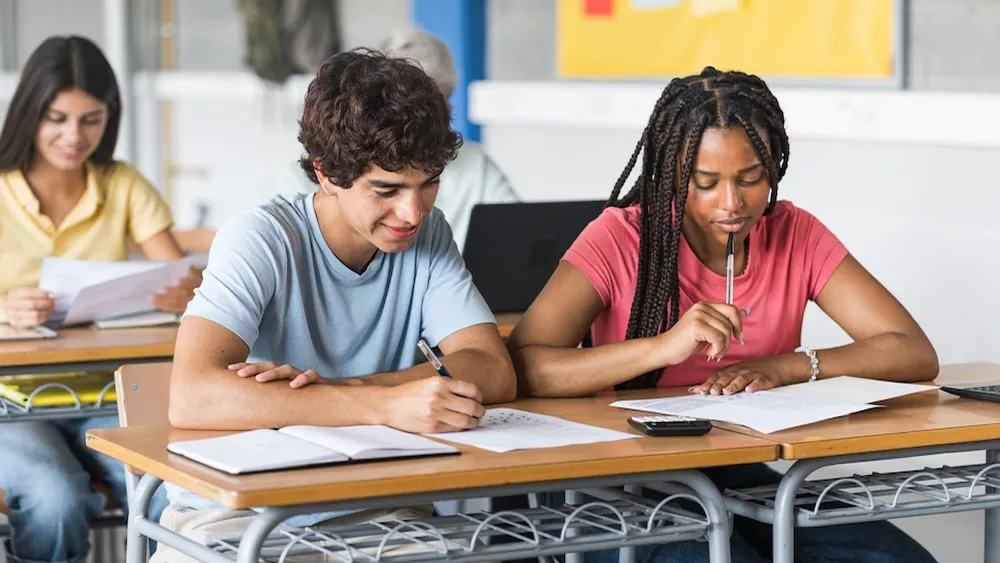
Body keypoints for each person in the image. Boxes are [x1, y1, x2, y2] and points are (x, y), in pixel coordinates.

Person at [506, 67, 940, 563]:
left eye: (751, 178)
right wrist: (662, 347)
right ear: (671, 174)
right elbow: (519, 368)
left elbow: (911, 350)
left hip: (739, 470)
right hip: (623, 481)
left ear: (773, 167)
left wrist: (784, 368)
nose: (732, 203)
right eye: (706, 183)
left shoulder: (795, 233)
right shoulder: (621, 238)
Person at [156, 48, 516, 560]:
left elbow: (492, 368)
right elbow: (192, 395)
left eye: (428, 183)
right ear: (326, 174)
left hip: (374, 507)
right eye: (386, 189)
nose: (412, 211)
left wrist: (338, 390)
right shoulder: (262, 237)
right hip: (240, 518)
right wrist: (385, 405)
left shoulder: (429, 235)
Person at [0, 36, 193, 563]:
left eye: (91, 120)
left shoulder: (122, 182)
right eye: (57, 118)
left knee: (163, 490)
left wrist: (185, 290)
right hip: (6, 402)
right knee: (53, 495)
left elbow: (180, 274)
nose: (73, 136)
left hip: (105, 395)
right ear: (28, 113)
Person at [286, 27, 518, 250]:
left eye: (431, 107)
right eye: (386, 190)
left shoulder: (437, 228)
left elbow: (523, 230)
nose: (412, 216)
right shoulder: (281, 228)